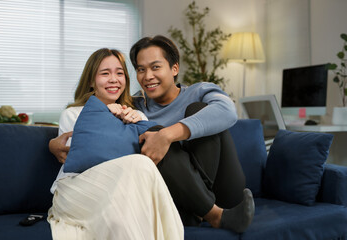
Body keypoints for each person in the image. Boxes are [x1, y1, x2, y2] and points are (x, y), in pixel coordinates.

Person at [50, 36, 255, 233]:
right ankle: (206, 211)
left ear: (174, 68)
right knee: (152, 133)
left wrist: (168, 135)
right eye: (141, 69)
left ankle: (204, 209)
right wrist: (52, 143)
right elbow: (96, 138)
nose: (148, 76)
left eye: (155, 67)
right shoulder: (134, 108)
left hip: (224, 189)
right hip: (181, 195)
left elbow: (227, 111)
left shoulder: (198, 91)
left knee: (196, 112)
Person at [47, 48, 184, 240]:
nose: (114, 79)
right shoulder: (74, 114)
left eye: (120, 73)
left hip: (126, 189)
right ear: (91, 80)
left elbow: (150, 166)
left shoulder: (137, 117)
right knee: (139, 164)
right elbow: (83, 156)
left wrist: (137, 124)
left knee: (140, 169)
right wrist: (107, 116)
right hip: (77, 188)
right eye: (105, 73)